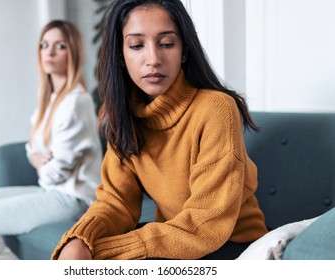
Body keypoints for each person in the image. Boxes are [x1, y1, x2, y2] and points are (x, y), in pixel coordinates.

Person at [52, 0, 268, 260]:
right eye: (136, 45)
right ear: (120, 55)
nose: (153, 59)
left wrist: (103, 252)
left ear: (184, 51)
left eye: (166, 44)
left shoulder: (216, 109)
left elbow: (207, 223)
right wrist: (81, 240)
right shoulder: (122, 116)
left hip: (230, 245)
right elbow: (116, 201)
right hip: (171, 239)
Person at [0, 20, 102, 260]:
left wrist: (41, 163)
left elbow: (53, 173)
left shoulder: (76, 102)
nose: (49, 52)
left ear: (73, 52)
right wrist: (40, 158)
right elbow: (32, 147)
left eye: (59, 46)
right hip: (51, 191)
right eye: (44, 44)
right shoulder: (51, 99)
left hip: (73, 200)